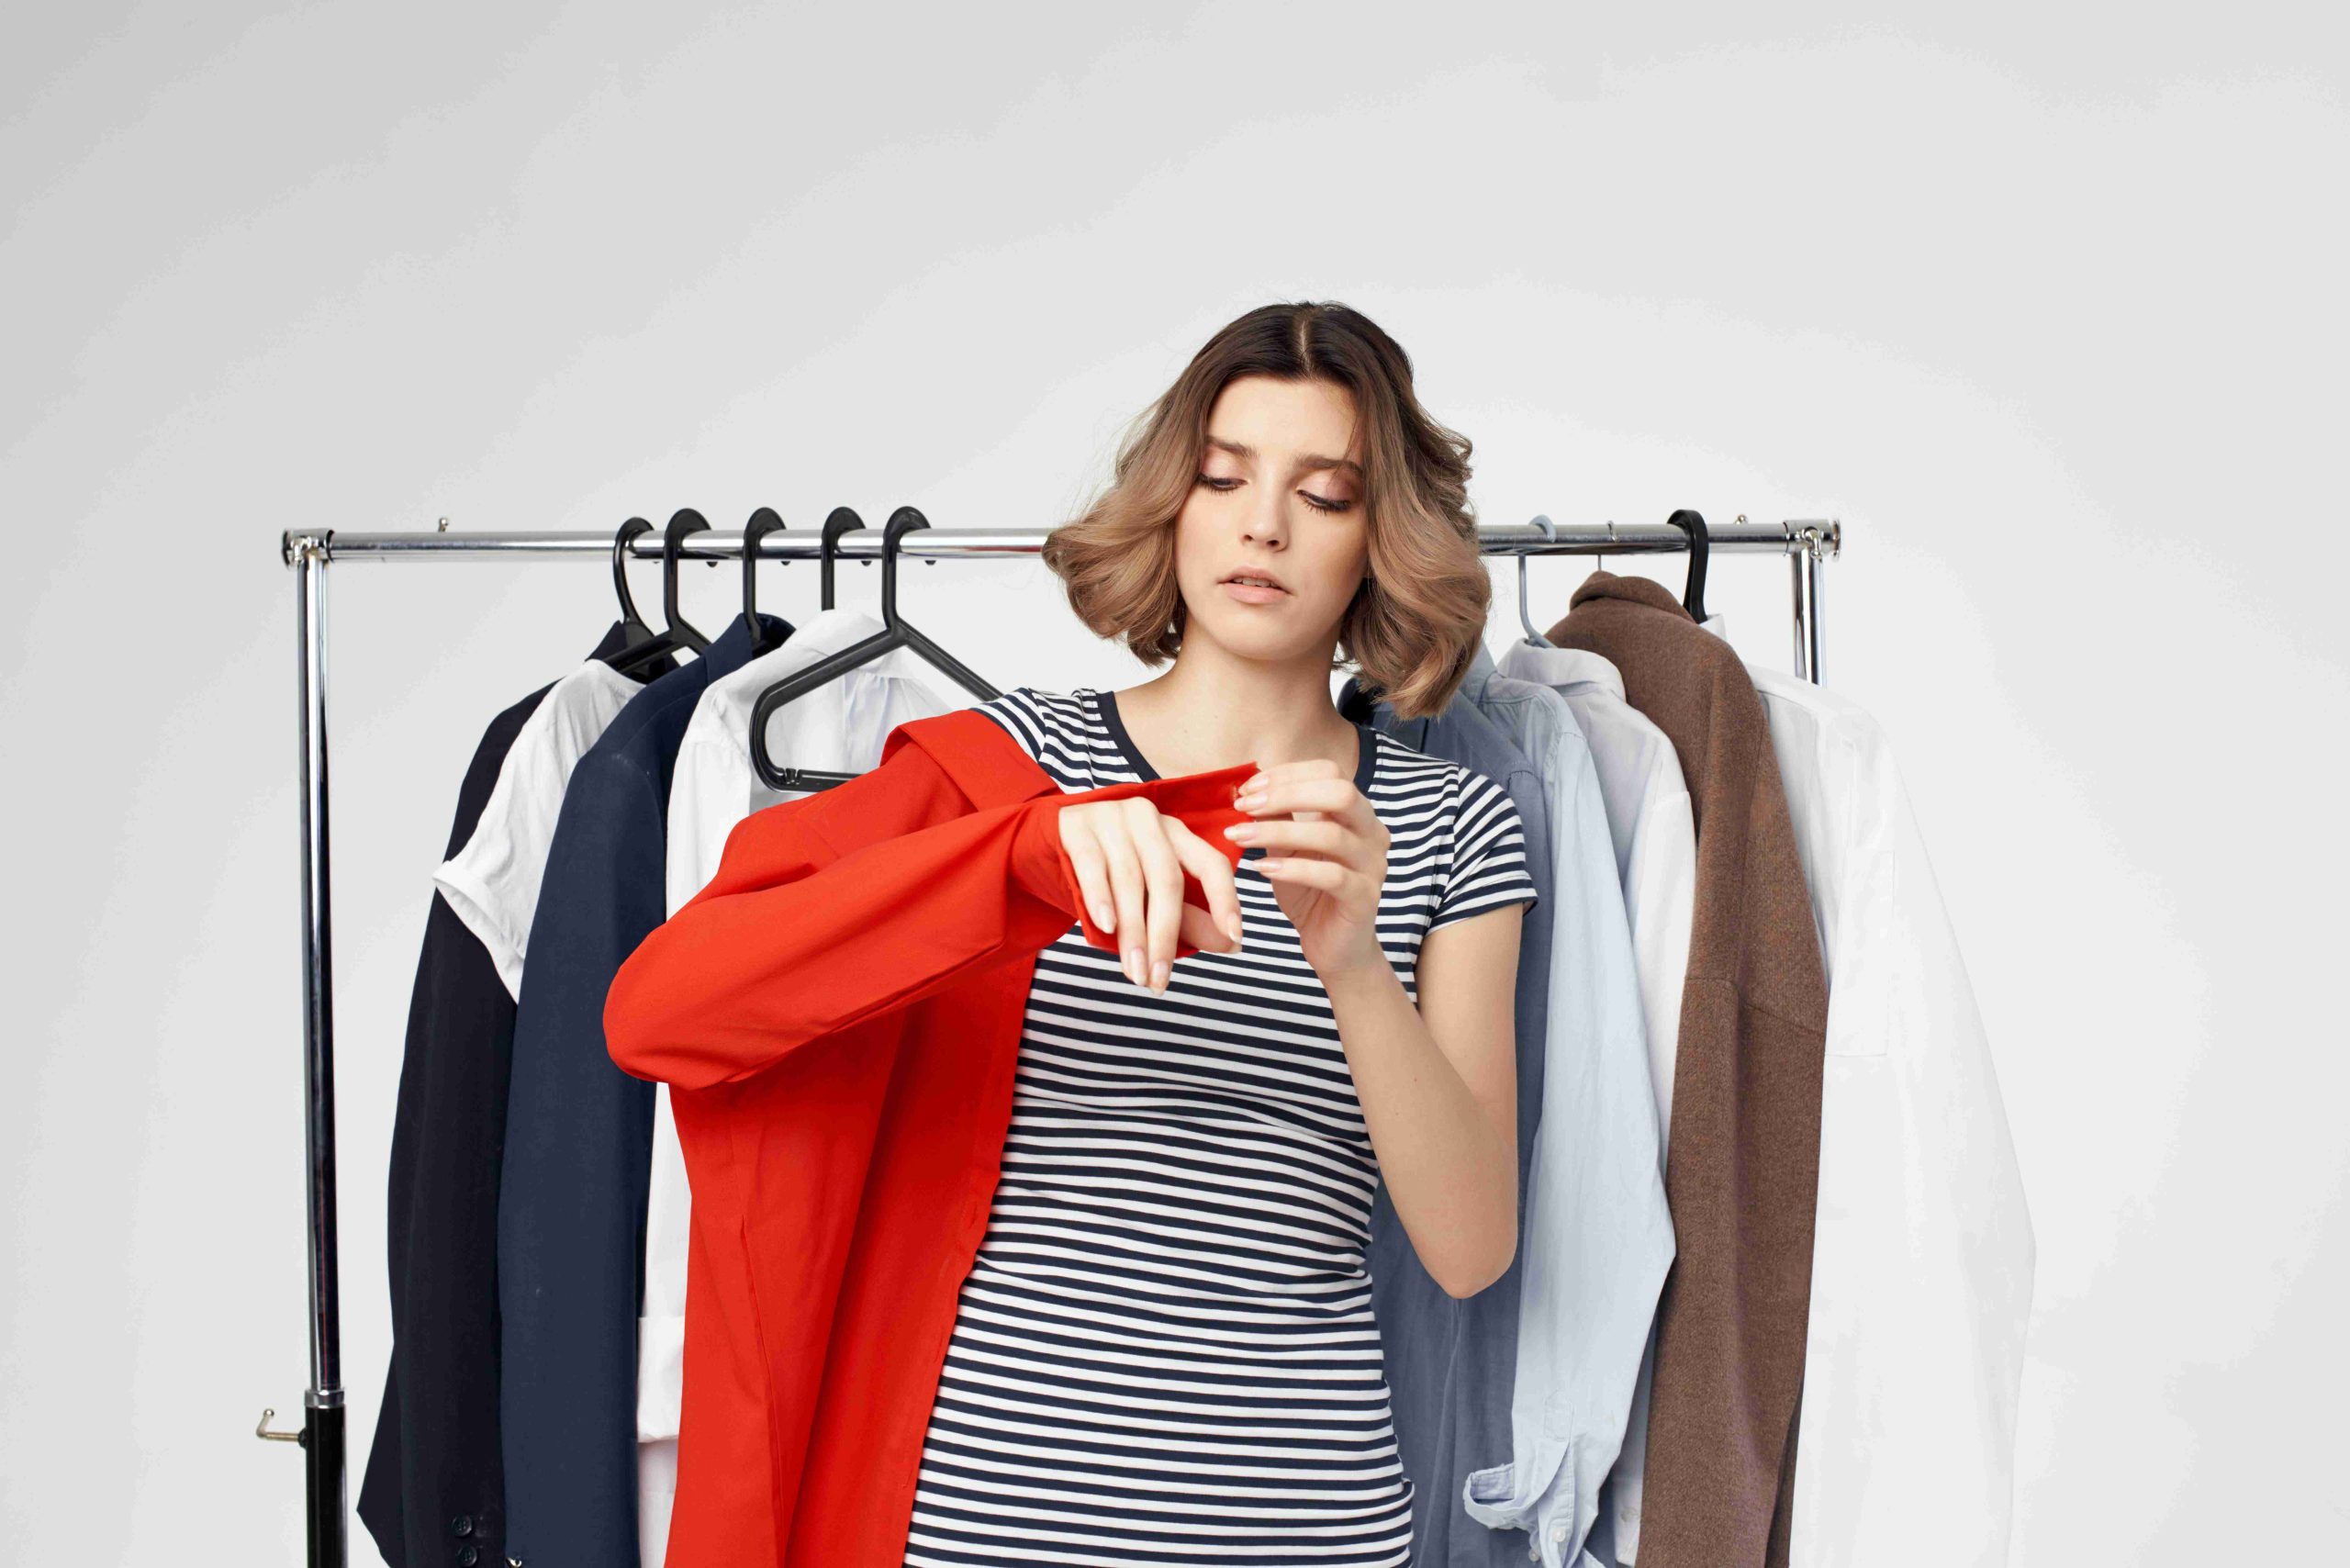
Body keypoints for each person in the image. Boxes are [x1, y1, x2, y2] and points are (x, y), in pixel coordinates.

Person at [901, 299, 1540, 1567]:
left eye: (1325, 493)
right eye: (1223, 477)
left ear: (1378, 541)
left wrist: (1352, 962)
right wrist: (1029, 854)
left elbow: (1471, 1252)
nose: (1263, 526)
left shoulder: (1453, 822)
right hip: (994, 1507)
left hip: (1302, 1520)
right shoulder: (1013, 762)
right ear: (1174, 503)